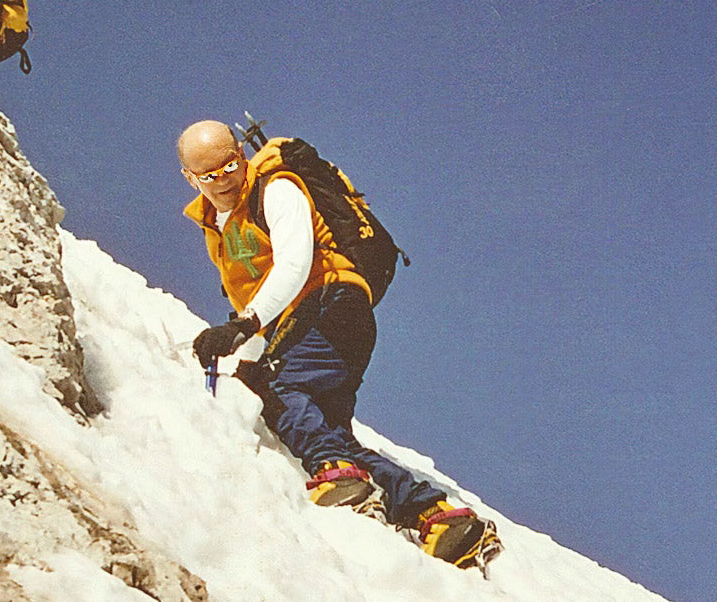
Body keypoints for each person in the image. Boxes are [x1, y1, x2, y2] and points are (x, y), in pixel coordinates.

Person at [179, 120, 502, 571]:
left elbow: (296, 262)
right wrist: (248, 336)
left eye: (232, 164)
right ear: (190, 178)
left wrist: (243, 325)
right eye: (210, 175)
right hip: (299, 323)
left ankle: (337, 472)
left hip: (332, 303)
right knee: (326, 426)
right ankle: (436, 514)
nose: (225, 179)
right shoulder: (218, 225)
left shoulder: (275, 188)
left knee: (278, 391)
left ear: (240, 154)